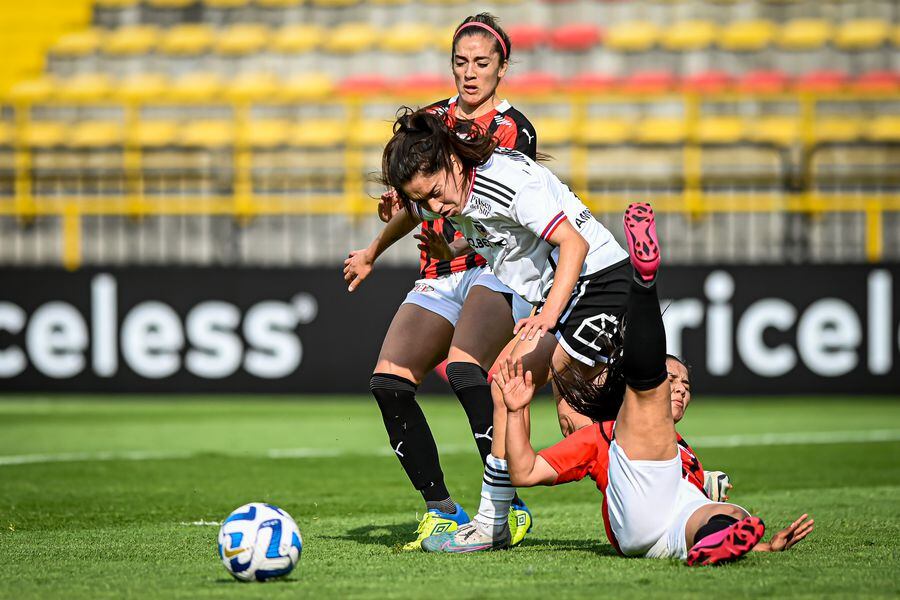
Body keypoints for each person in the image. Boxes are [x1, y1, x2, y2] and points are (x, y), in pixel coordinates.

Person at [454, 203, 814, 564]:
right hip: (637, 501)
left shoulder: (683, 452)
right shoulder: (603, 438)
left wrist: (763, 545)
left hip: (675, 523)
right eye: (672, 380)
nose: (681, 389)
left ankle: (714, 543)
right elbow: (526, 471)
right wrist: (516, 412)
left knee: (732, 514)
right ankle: (643, 285)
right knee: (646, 382)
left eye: (686, 385)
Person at [380, 107, 632, 550]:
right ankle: (494, 522)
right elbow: (498, 237)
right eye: (425, 202)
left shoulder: (504, 181)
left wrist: (547, 317)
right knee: (538, 397)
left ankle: (675, 486)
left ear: (453, 162)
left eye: (436, 194)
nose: (435, 207)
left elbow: (574, 242)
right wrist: (449, 245)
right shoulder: (458, 191)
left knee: (566, 409)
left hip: (597, 283)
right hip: (572, 290)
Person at [343, 13, 537, 551]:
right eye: (460, 62)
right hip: (437, 270)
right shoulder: (429, 121)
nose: (469, 73)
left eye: (482, 63)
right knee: (389, 382)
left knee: (466, 369)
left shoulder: (512, 129)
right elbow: (414, 197)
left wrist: (455, 243)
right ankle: (442, 510)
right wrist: (373, 251)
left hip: (491, 266)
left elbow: (504, 214)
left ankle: (504, 507)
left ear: (502, 67)